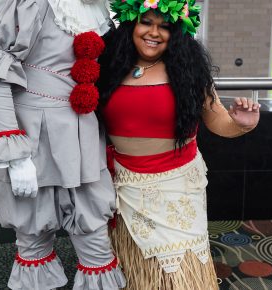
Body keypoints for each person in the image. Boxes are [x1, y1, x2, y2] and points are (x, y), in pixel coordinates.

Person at [0, 0, 126, 289]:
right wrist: (13, 149)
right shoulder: (28, 5)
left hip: (81, 132)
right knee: (32, 235)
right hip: (31, 133)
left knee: (94, 233)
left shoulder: (97, 8)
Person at [97, 0, 260, 289]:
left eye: (165, 26)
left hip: (177, 188)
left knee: (181, 274)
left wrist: (241, 124)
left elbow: (217, 119)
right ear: (131, 23)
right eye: (146, 22)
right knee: (135, 271)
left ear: (177, 32)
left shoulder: (188, 71)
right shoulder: (108, 66)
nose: (154, 32)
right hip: (124, 188)